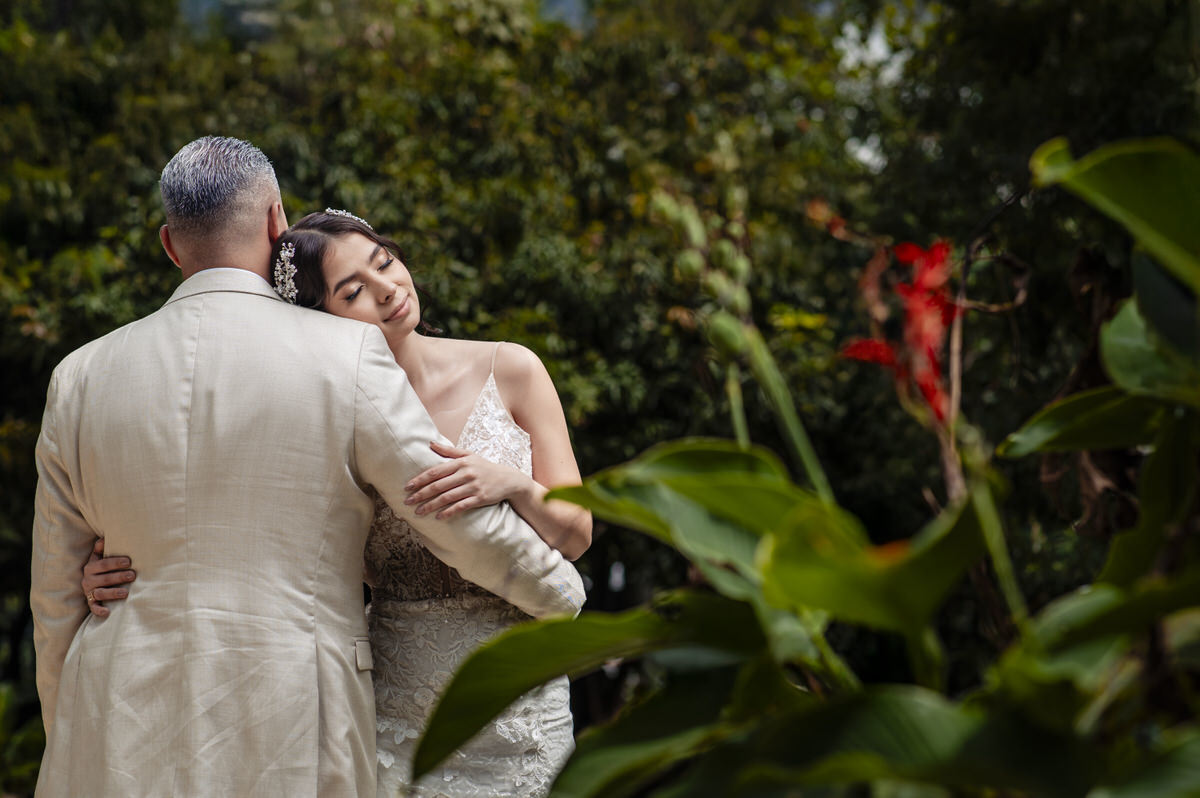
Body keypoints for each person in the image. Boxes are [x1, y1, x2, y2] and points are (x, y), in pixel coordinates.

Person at [30, 137, 584, 798]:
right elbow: (440, 507)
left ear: (170, 245)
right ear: (277, 221)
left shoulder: (78, 377)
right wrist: (561, 591)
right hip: (297, 716)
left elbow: (54, 601)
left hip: (118, 719)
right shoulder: (343, 356)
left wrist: (70, 727)